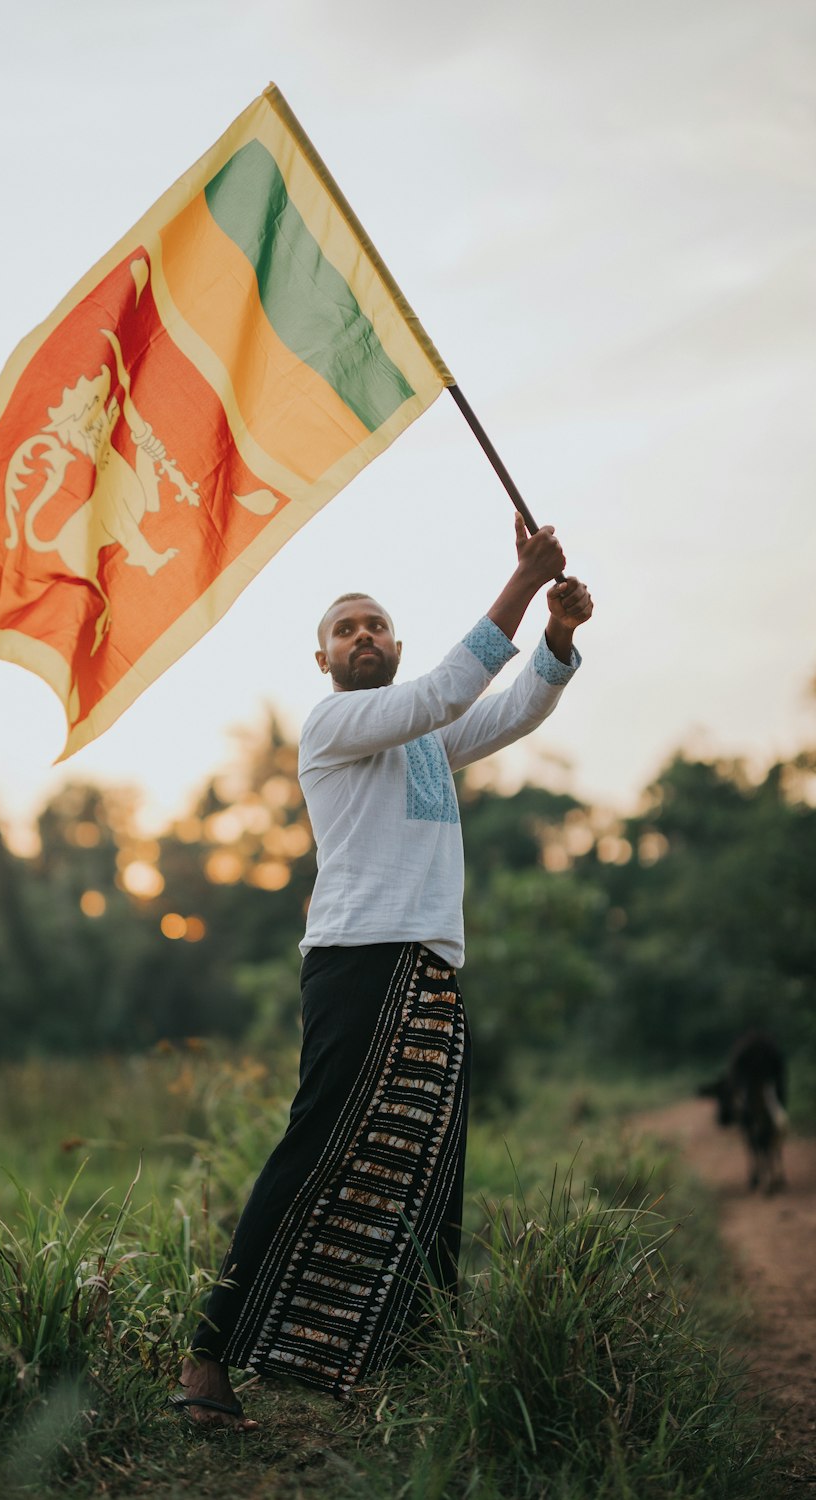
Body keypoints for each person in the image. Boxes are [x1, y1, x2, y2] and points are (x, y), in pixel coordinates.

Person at [172, 513, 593, 1429]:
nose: (362, 636)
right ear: (324, 660)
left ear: (392, 647)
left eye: (374, 626)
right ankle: (209, 1355)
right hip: (358, 965)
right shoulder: (335, 725)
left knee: (428, 1167)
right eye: (344, 630)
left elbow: (505, 709)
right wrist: (523, 580)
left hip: (433, 967)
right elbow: (449, 689)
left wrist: (555, 640)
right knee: (316, 1151)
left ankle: (416, 1367)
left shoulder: (424, 743)